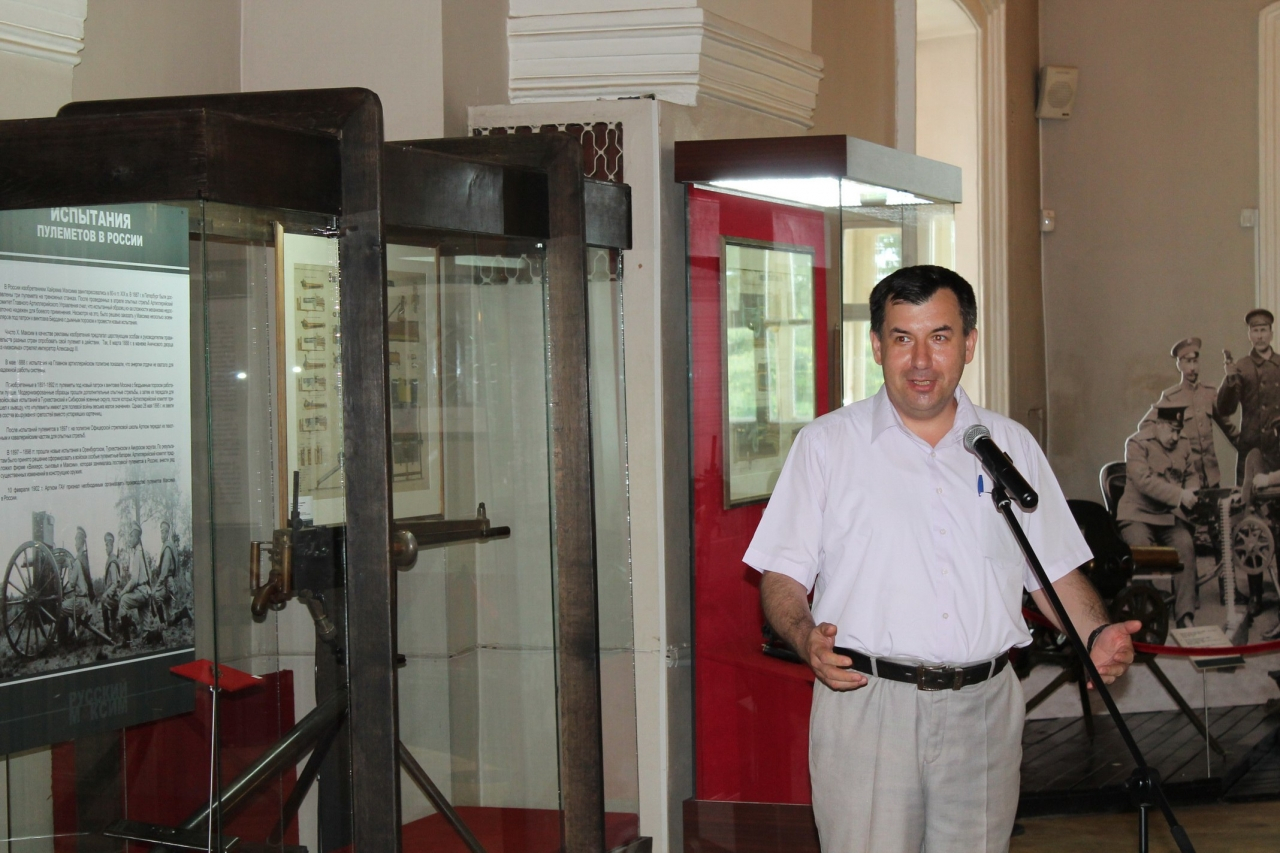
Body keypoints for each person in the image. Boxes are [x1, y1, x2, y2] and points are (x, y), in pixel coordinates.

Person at [745, 265, 1140, 852]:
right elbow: (781, 572)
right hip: (867, 704)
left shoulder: (1008, 447)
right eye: (902, 338)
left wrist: (1098, 632)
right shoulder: (827, 445)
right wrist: (806, 639)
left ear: (969, 344)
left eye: (940, 336)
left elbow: (1052, 569)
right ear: (876, 346)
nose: (921, 360)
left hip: (985, 710)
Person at [1217, 308, 1280, 614]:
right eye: (1255, 330)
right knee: (1249, 521)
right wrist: (1229, 381)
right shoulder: (1240, 367)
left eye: (1264, 329)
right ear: (1249, 335)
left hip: (1278, 453)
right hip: (1251, 455)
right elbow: (1224, 409)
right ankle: (1255, 595)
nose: (1260, 335)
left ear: (1271, 332)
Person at [1117, 405, 1199, 628]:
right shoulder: (1137, 444)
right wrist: (1180, 495)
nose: (1175, 437)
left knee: (1185, 546)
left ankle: (1185, 615)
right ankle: (1147, 610)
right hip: (1137, 514)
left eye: (1178, 431)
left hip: (1167, 515)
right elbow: (1144, 482)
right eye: (1171, 430)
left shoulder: (1183, 444)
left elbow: (1191, 474)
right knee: (1142, 552)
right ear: (1159, 425)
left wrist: (1192, 490)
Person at [1142, 337, 1236, 489]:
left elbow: (1231, 431)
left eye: (1195, 362)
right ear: (1179, 365)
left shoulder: (1209, 393)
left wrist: (1252, 450)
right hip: (1185, 481)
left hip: (1212, 480)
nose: (1192, 368)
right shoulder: (1171, 398)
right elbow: (1145, 427)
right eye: (1187, 362)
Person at [117, 522, 153, 642]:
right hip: (147, 592)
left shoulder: (137, 554)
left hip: (141, 593)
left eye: (132, 536)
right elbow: (149, 574)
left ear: (137, 538)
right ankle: (157, 636)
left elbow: (134, 581)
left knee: (123, 601)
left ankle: (127, 641)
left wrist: (123, 592)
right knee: (145, 633)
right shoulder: (141, 552)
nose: (130, 539)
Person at [59, 526, 96, 643]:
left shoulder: (77, 562)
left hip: (80, 603)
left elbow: (71, 583)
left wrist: (69, 566)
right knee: (66, 605)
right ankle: (66, 637)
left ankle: (62, 640)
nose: (75, 543)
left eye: (76, 540)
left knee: (60, 608)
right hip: (85, 602)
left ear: (80, 541)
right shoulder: (83, 559)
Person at [100, 531, 122, 636]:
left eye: (107, 545)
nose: (106, 548)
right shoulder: (110, 559)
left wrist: (107, 594)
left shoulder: (112, 562)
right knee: (115, 622)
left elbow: (115, 583)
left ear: (112, 545)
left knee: (103, 602)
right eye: (105, 545)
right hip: (113, 596)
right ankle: (116, 631)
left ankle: (107, 632)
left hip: (115, 596)